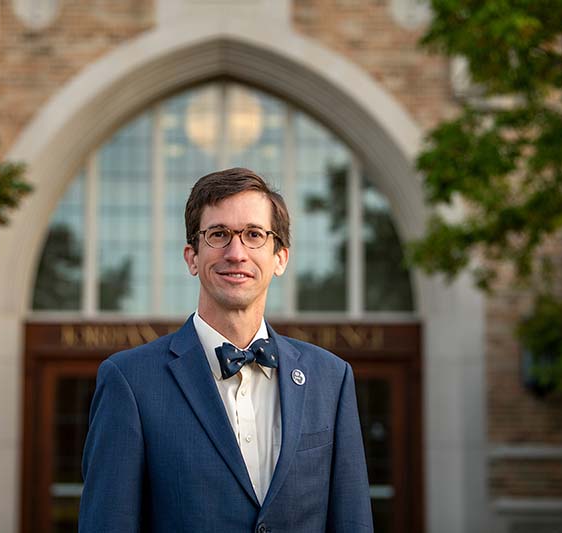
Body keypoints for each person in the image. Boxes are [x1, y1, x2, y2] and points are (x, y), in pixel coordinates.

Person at [79, 168, 373, 532]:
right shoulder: (129, 381)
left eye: (254, 235)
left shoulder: (331, 378)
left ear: (280, 257)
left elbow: (352, 521)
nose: (236, 253)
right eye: (218, 234)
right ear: (192, 257)